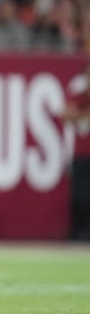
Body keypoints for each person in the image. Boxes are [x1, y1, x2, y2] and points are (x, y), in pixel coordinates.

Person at [62, 63, 90, 241]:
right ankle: (78, 232)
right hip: (81, 154)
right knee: (80, 196)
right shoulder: (79, 97)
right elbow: (66, 115)